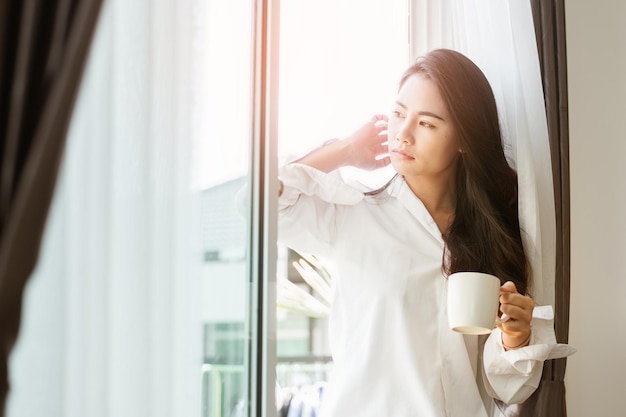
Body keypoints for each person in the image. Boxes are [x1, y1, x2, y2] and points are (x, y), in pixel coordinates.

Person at [277, 49, 574, 417]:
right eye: (399, 114)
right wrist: (346, 149)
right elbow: (259, 205)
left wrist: (516, 337)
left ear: (463, 138)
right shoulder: (356, 215)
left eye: (427, 124)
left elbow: (507, 389)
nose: (403, 134)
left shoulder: (496, 234)